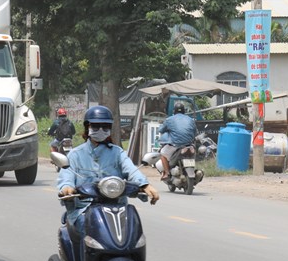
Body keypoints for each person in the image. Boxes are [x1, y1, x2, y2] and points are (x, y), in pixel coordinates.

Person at [58, 105, 159, 236]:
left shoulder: (117, 153)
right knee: (87, 227)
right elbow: (67, 175)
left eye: (105, 127)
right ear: (87, 127)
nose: (100, 130)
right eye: (95, 126)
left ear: (110, 129)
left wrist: (144, 185)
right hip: (84, 210)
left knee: (133, 231)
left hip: (117, 208)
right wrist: (67, 187)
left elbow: (131, 169)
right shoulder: (75, 154)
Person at [158, 101, 197, 181]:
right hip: (189, 145)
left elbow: (161, 130)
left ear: (174, 111)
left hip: (176, 145)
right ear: (184, 111)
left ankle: (167, 173)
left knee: (163, 154)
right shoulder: (190, 120)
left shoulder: (169, 120)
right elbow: (195, 132)